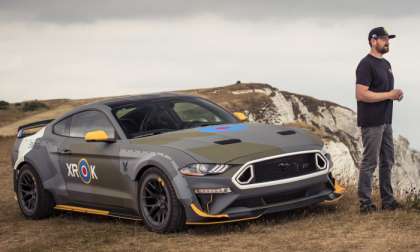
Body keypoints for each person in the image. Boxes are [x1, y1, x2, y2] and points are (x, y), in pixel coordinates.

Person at [355, 27, 403, 213]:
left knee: (387, 160)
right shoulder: (365, 64)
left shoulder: (386, 64)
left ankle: (388, 201)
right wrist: (389, 94)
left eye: (388, 39)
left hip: (386, 120)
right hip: (372, 121)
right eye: (383, 39)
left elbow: (384, 92)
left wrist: (394, 95)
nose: (387, 41)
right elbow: (361, 94)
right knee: (369, 162)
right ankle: (365, 204)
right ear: (372, 41)